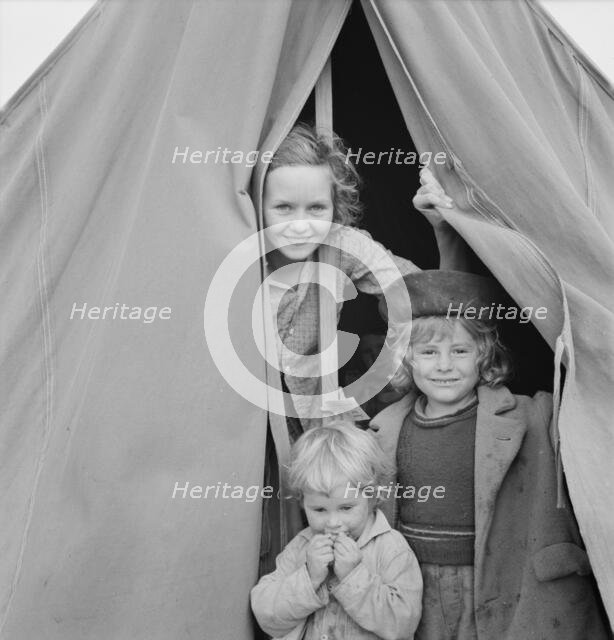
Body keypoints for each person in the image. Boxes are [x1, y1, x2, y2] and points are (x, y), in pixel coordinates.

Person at [370, 268, 610, 639]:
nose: (445, 366)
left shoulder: (532, 416)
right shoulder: (383, 430)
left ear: (483, 355)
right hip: (413, 587)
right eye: (429, 352)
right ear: (406, 358)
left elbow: (593, 383)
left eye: (461, 351)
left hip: (503, 585)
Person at [262, 124, 460, 434]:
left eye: (316, 208)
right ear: (258, 207)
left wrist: (443, 229)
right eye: (284, 208)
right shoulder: (227, 255)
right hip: (238, 440)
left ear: (334, 208)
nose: (301, 225)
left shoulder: (341, 246)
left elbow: (429, 299)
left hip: (312, 433)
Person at [251, 420, 423, 640]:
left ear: (372, 497)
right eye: (320, 509)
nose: (333, 522)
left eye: (346, 508)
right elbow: (266, 616)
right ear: (302, 502)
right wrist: (309, 579)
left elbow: (402, 625)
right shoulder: (301, 547)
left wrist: (354, 576)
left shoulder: (391, 548)